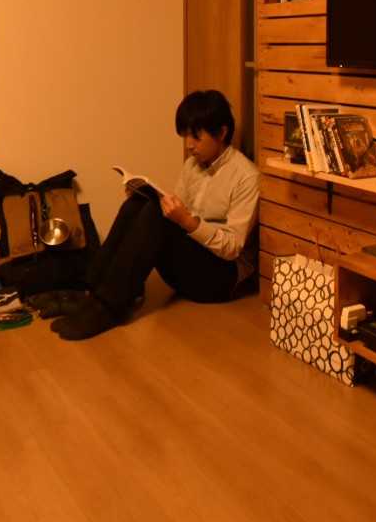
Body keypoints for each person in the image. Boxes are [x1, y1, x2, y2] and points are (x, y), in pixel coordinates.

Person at [41, 89, 260, 341]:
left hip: (221, 279)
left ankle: (108, 308)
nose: (189, 145)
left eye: (196, 136)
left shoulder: (246, 177)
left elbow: (232, 248)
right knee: (140, 203)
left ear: (221, 133)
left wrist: (187, 221)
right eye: (186, 136)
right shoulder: (192, 166)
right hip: (191, 263)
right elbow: (177, 210)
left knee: (156, 215)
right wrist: (148, 198)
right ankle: (92, 291)